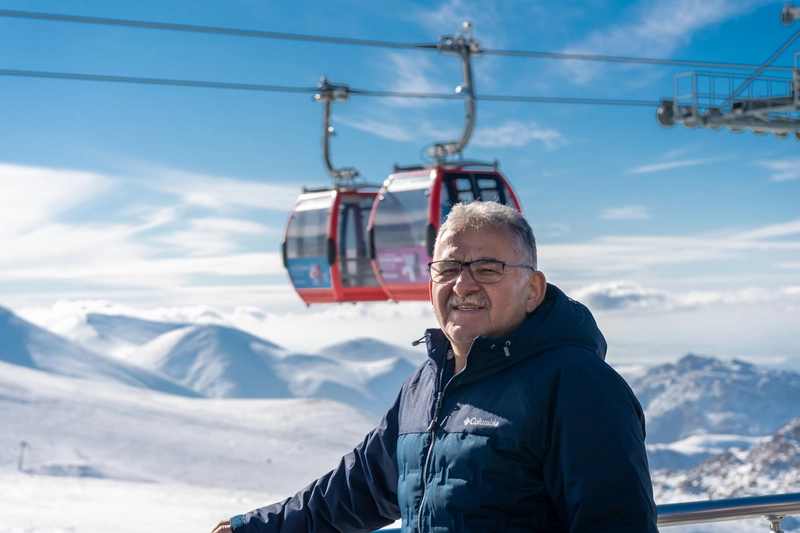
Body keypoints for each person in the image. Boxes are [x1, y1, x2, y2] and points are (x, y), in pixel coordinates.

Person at [212, 201, 658, 533]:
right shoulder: (427, 384)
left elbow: (616, 523)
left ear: (532, 290)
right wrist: (255, 528)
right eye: (447, 269)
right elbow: (357, 489)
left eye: (488, 268)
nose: (462, 284)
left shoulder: (576, 385)